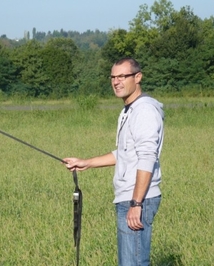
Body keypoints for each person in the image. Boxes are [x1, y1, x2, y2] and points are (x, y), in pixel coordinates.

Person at [64, 57, 164, 266]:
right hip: (130, 198)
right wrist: (86, 163)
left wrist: (136, 204)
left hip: (137, 199)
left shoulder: (144, 110)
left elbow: (147, 157)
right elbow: (124, 154)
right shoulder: (129, 110)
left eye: (122, 76)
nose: (116, 82)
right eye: (113, 77)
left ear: (138, 77)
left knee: (133, 262)